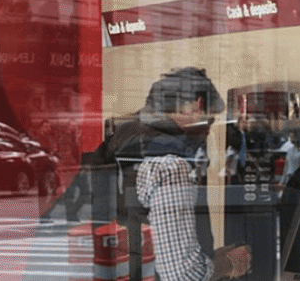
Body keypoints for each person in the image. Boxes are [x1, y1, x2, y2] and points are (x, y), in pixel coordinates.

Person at [97, 67, 251, 281]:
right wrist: (229, 264)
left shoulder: (121, 139)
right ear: (197, 105)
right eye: (210, 119)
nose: (208, 130)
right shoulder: (171, 164)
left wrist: (209, 256)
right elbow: (182, 274)